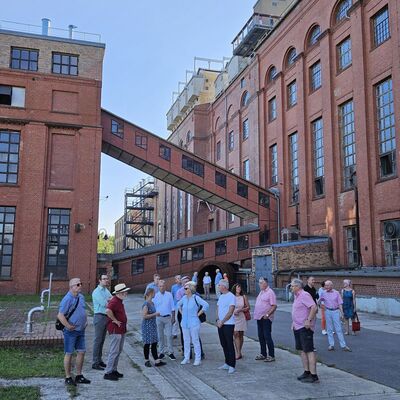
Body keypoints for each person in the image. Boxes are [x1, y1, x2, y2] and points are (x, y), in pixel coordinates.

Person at [57, 278, 91, 386]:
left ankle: (79, 376)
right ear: (71, 287)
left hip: (81, 330)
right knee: (69, 353)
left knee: (81, 352)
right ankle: (68, 377)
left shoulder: (81, 297)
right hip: (70, 331)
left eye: (81, 283)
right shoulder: (67, 299)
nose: (80, 285)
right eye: (77, 284)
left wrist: (85, 321)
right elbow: (60, 315)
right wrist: (68, 326)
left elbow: (83, 310)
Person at [290, 278, 319, 383]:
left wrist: (309, 319)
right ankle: (306, 372)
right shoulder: (296, 296)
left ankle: (314, 375)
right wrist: (293, 322)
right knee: (302, 350)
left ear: (298, 286)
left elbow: (313, 307)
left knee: (309, 350)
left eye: (292, 286)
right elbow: (298, 310)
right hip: (297, 326)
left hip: (305, 327)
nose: (291, 287)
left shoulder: (304, 295)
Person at [177, 281, 209, 366]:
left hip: (194, 322)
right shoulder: (183, 298)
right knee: (186, 340)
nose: (184, 289)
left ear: (190, 289)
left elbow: (206, 305)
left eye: (186, 288)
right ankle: (186, 357)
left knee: (195, 340)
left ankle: (198, 358)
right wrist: (181, 312)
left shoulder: (196, 298)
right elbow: (178, 304)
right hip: (184, 323)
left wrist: (198, 314)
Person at [104, 283, 130, 381]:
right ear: (120, 293)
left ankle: (113, 370)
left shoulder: (119, 300)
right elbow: (108, 311)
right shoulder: (114, 301)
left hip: (121, 329)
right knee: (114, 351)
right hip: (115, 330)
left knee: (118, 351)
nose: (126, 293)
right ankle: (108, 372)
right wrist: (114, 320)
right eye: (125, 292)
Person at [318, 280, 351, 351]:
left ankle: (343, 346)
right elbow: (319, 301)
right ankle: (331, 345)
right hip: (327, 311)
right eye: (325, 285)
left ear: (331, 286)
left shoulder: (336, 293)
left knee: (338, 329)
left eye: (327, 285)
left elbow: (340, 303)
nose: (326, 287)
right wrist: (320, 304)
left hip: (335, 311)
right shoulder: (323, 293)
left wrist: (342, 313)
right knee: (329, 329)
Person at [253, 277, 277, 362]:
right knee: (261, 336)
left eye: (261, 283)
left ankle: (271, 355)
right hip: (259, 317)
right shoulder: (261, 292)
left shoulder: (270, 292)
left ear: (265, 283)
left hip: (266, 318)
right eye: (259, 283)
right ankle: (263, 354)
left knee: (267, 336)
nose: (259, 284)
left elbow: (274, 305)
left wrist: (267, 314)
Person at [91, 274, 112, 370]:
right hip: (99, 317)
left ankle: (99, 360)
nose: (106, 280)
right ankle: (95, 362)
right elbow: (105, 304)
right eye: (104, 279)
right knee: (97, 340)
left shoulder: (106, 290)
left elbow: (112, 301)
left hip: (106, 316)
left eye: (107, 279)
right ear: (99, 280)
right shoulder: (96, 292)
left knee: (102, 340)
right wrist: (109, 300)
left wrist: (109, 300)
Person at [142, 288, 166, 367]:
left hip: (152, 325)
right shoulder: (146, 304)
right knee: (147, 343)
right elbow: (144, 316)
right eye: (154, 292)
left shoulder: (152, 303)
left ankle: (157, 360)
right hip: (147, 326)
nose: (155, 294)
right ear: (151, 293)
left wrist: (155, 314)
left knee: (154, 343)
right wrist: (155, 314)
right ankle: (146, 360)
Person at [216, 279, 236, 373]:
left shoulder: (231, 296)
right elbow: (218, 308)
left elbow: (230, 312)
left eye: (219, 285)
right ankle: (227, 362)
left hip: (228, 324)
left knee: (229, 343)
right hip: (220, 324)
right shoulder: (221, 296)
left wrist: (222, 321)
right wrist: (217, 320)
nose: (218, 286)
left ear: (224, 286)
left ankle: (232, 364)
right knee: (223, 343)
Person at [153, 280, 176, 360]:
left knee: (169, 335)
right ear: (158, 287)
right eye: (160, 286)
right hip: (159, 318)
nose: (161, 287)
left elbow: (173, 307)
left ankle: (170, 352)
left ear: (165, 286)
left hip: (168, 318)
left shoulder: (169, 295)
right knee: (160, 336)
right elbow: (153, 307)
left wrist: (173, 317)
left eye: (163, 286)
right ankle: (161, 352)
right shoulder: (156, 296)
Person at [232, 283, 249, 360]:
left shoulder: (243, 297)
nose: (239, 289)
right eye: (237, 287)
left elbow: (248, 307)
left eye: (240, 288)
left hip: (241, 317)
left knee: (241, 334)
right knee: (235, 334)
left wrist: (240, 310)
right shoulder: (231, 297)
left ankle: (239, 351)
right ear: (234, 288)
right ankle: (238, 352)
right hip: (233, 317)